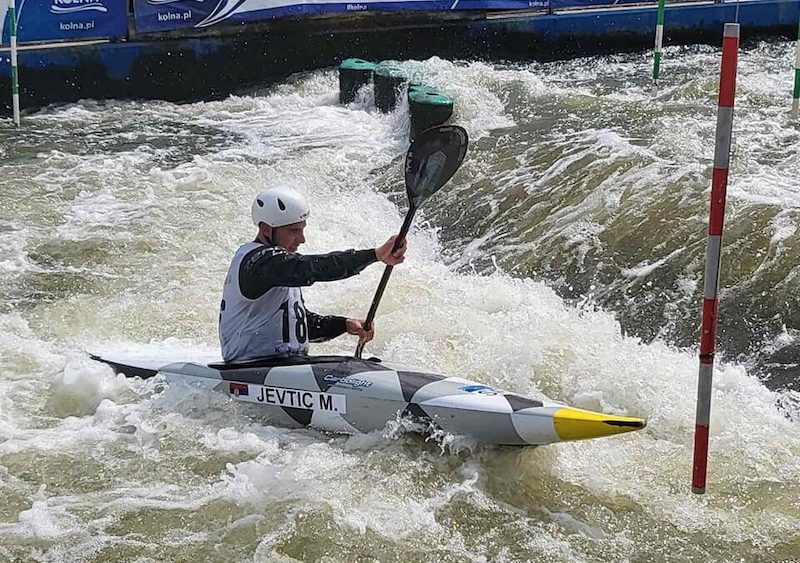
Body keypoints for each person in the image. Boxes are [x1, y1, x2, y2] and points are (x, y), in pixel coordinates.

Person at [219, 186, 407, 363]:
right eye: (293, 230)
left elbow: (298, 326)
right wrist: (374, 255)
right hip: (248, 369)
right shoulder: (260, 262)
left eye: (302, 229)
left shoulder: (280, 267)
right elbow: (312, 268)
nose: (302, 239)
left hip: (282, 368)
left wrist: (343, 325)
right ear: (266, 229)